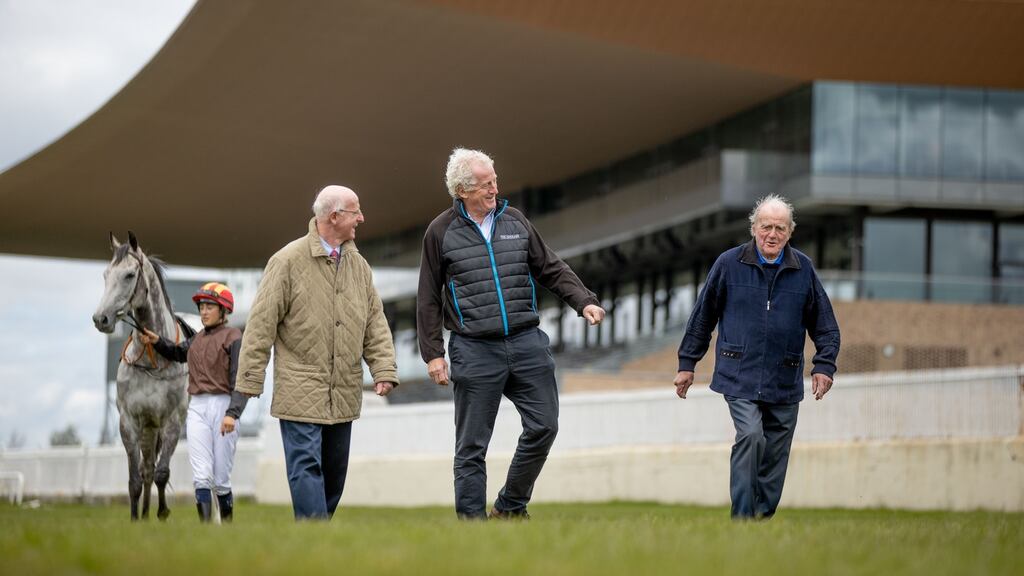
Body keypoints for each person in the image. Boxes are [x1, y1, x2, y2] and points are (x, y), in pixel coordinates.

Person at [417, 148, 606, 520]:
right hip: (473, 349)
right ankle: (471, 527)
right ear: (462, 190)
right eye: (485, 184)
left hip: (526, 343)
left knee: (544, 426)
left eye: (494, 180)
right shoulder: (440, 232)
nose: (494, 189)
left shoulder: (515, 220)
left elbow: (550, 267)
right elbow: (428, 297)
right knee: (471, 446)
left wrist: (583, 300)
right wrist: (433, 354)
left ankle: (509, 507)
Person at [235, 185, 399, 520]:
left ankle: (314, 540)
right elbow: (261, 324)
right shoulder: (286, 261)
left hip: (344, 389)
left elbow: (374, 323)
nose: (362, 218)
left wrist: (383, 368)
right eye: (356, 211)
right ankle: (314, 534)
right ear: (334, 216)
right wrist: (250, 378)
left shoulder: (360, 267)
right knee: (306, 467)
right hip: (299, 387)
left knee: (335, 475)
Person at [674, 194, 840, 520]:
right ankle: (743, 517)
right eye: (766, 227)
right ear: (754, 228)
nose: (772, 234)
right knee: (750, 435)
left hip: (785, 376)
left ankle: (761, 518)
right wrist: (687, 364)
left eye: (780, 228)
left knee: (776, 453)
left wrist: (824, 366)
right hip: (739, 373)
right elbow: (702, 317)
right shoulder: (728, 264)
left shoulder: (803, 269)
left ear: (790, 233)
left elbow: (826, 327)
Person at [140, 282, 247, 523]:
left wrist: (233, 413)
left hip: (224, 406)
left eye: (210, 306)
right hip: (197, 407)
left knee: (220, 478)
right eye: (202, 307)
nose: (204, 311)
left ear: (223, 310)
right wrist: (157, 341)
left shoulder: (234, 337)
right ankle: (207, 530)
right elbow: (178, 352)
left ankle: (227, 528)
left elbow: (239, 379)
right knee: (201, 475)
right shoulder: (197, 339)